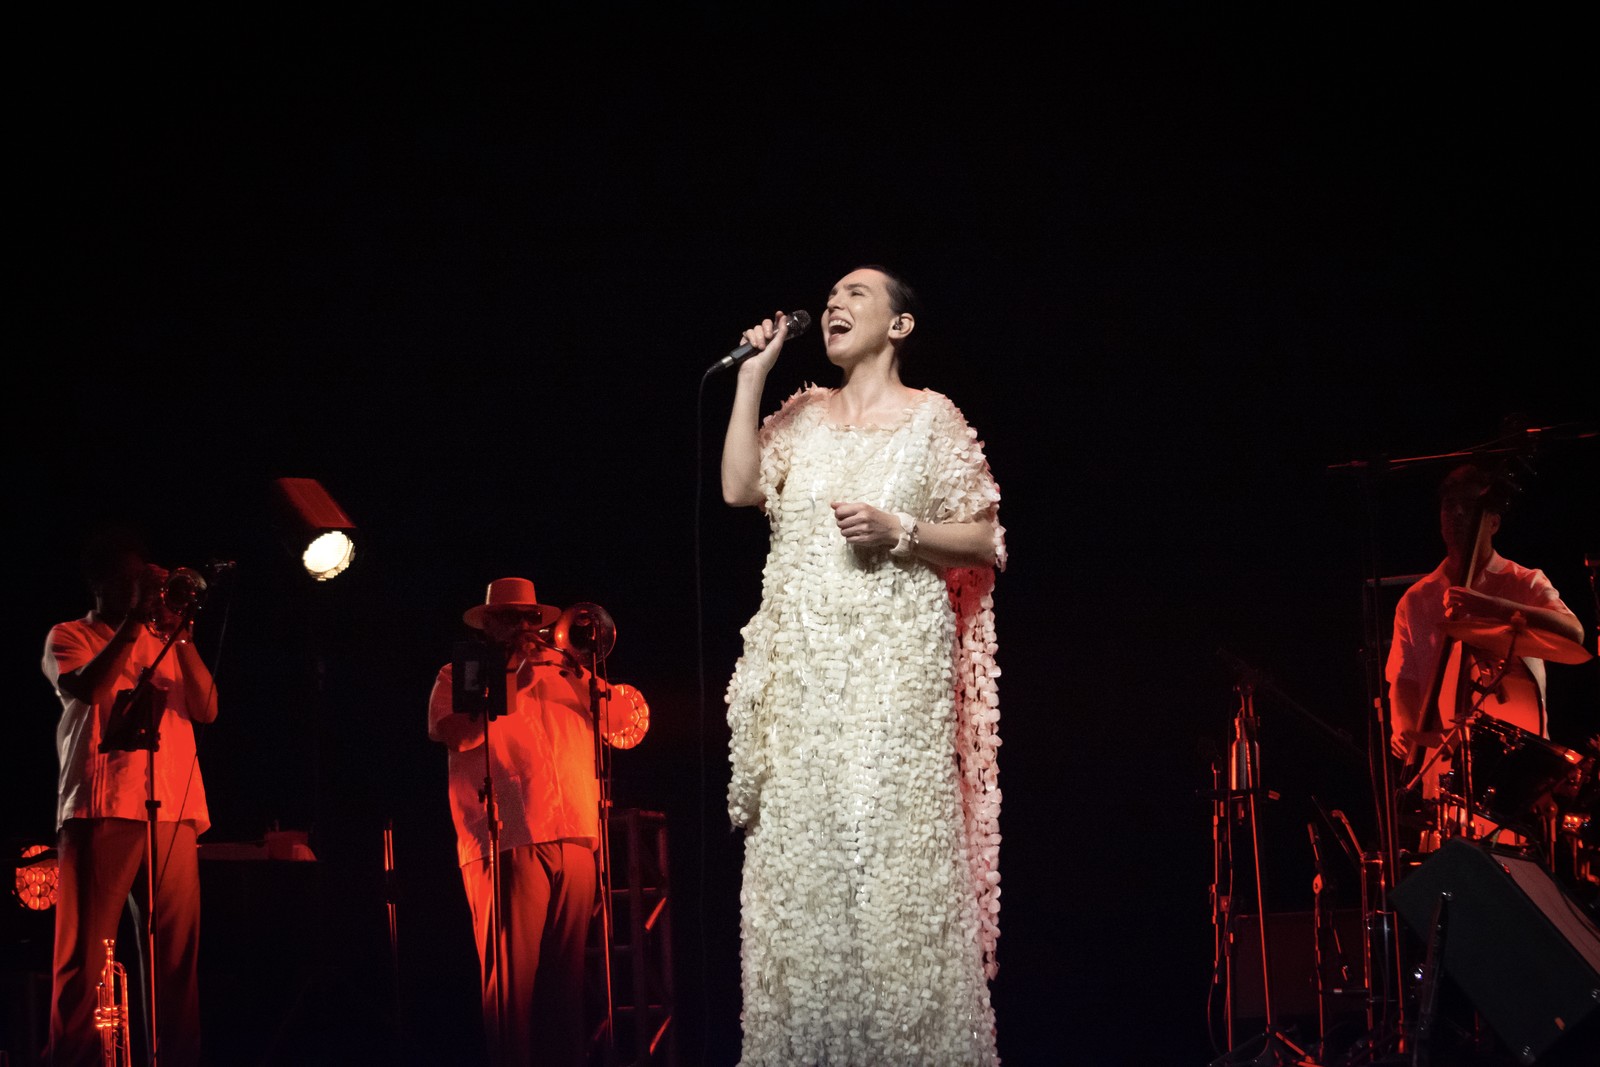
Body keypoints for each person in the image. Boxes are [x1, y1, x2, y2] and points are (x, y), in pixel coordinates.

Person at [720, 265, 1006, 1065]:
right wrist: (753, 378)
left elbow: (986, 538)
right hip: (806, 696)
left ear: (900, 326)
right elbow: (740, 486)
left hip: (894, 694)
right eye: (833, 295)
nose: (836, 303)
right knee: (806, 901)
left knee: (896, 896)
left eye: (857, 294)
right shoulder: (803, 416)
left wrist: (901, 528)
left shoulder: (932, 420)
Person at [41, 526, 218, 1067]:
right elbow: (91, 691)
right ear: (100, 583)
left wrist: (181, 636)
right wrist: (134, 626)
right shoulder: (68, 635)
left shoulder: (164, 639)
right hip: (100, 808)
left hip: (174, 810)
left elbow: (208, 708)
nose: (144, 591)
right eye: (132, 581)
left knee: (176, 961)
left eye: (149, 581)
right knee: (84, 958)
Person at [427, 577, 600, 1067]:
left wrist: (585, 672)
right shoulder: (461, 672)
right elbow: (458, 735)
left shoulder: (567, 674)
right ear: (490, 626)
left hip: (575, 833)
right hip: (507, 835)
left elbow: (627, 726)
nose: (525, 628)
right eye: (511, 619)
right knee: (511, 992)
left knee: (565, 992)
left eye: (530, 619)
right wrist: (512, 675)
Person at [1387, 462, 1586, 842]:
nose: (1457, 514)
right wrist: (1404, 728)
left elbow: (1573, 630)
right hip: (1442, 768)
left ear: (1493, 522)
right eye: (1449, 506)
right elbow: (1403, 678)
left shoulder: (1523, 581)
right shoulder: (1416, 599)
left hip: (1512, 774)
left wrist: (1494, 607)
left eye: (1468, 506)